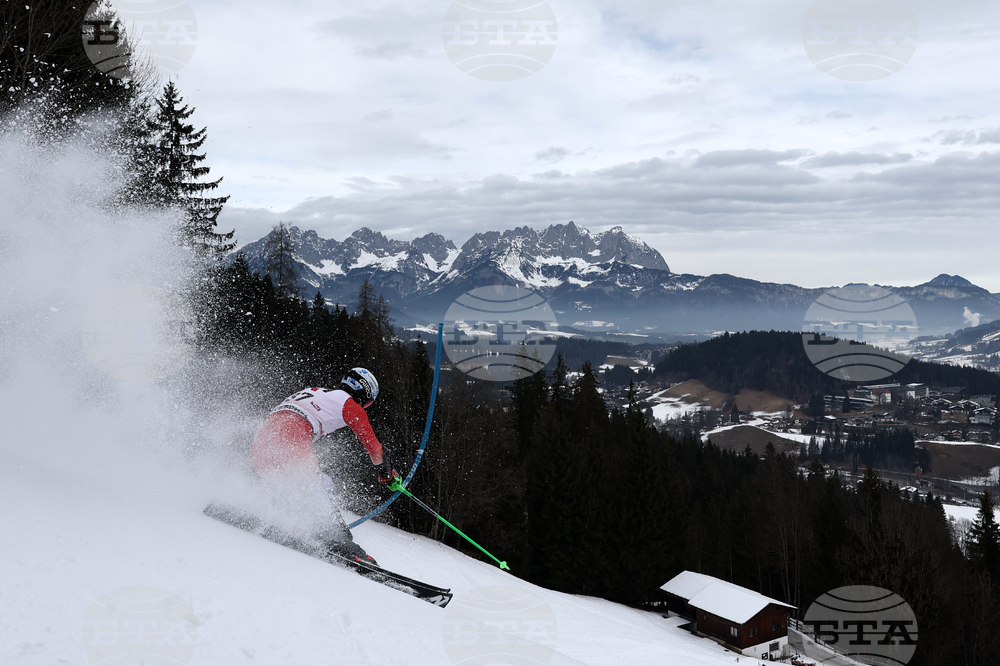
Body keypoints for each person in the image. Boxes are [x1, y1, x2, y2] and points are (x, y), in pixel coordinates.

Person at [250, 367, 399, 563]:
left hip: (262, 441)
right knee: (319, 487)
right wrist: (387, 472)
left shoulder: (315, 391)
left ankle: (289, 524)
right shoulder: (350, 405)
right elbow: (375, 449)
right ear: (365, 395)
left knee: (290, 488)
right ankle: (340, 542)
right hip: (292, 434)